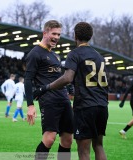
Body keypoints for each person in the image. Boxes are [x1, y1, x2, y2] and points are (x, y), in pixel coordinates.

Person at [34, 22, 108, 160]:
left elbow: (67, 78)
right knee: (98, 146)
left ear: (75, 36)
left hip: (86, 106)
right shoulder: (99, 56)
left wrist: (46, 88)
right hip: (102, 105)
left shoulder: (75, 54)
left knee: (83, 150)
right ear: (90, 36)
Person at [25, 20, 73, 160]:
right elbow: (28, 80)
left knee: (67, 140)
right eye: (54, 34)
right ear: (45, 33)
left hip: (63, 100)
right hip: (49, 101)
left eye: (59, 34)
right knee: (49, 139)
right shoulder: (35, 53)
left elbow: (60, 78)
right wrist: (30, 105)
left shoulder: (55, 55)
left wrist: (70, 91)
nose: (57, 37)